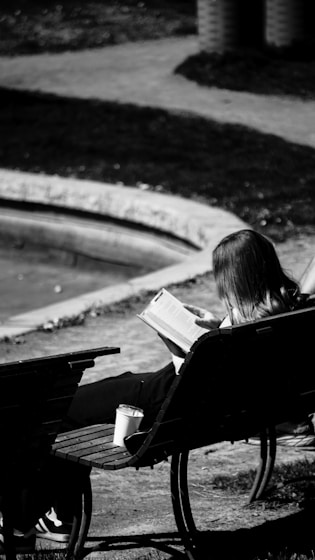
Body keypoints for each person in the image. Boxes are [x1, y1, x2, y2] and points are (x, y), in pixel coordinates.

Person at [3, 229, 315, 548]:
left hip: (160, 403)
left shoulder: (235, 332)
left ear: (234, 280)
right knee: (111, 385)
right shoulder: (294, 315)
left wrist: (175, 345)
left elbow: (190, 386)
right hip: (200, 407)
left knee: (62, 409)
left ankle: (29, 521)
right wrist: (214, 326)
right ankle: (51, 516)